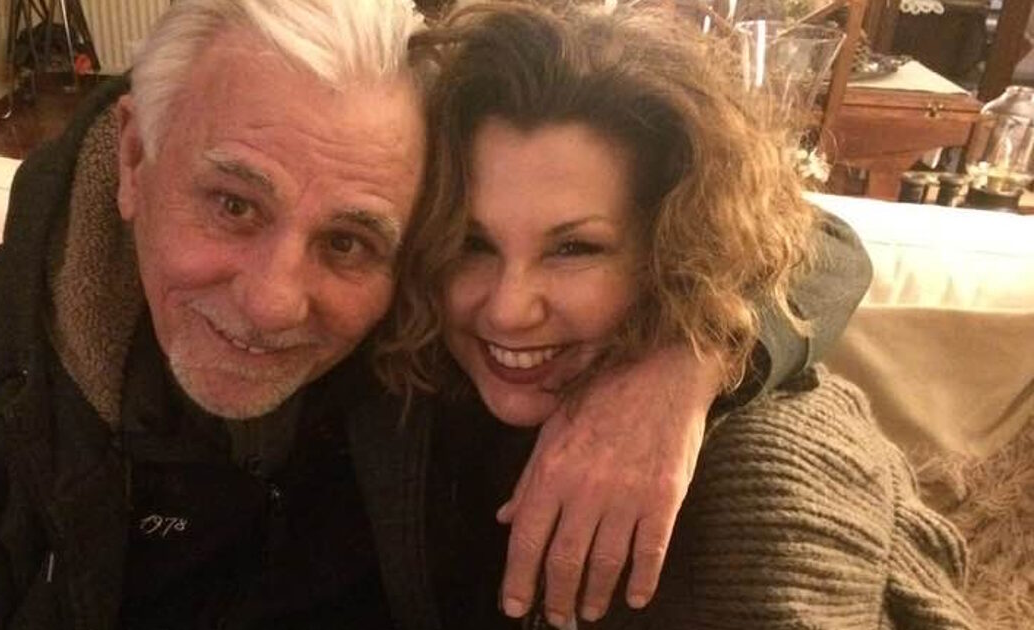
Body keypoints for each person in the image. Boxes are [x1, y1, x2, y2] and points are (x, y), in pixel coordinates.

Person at [0, 0, 867, 627]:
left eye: (349, 241)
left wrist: (686, 363)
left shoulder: (435, 337)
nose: (273, 302)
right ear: (136, 163)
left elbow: (797, 242)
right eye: (232, 205)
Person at [370, 1, 977, 628]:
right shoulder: (400, 361)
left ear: (677, 246)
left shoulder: (761, 485)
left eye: (574, 249)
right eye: (472, 244)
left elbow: (817, 244)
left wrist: (693, 360)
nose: (508, 308)